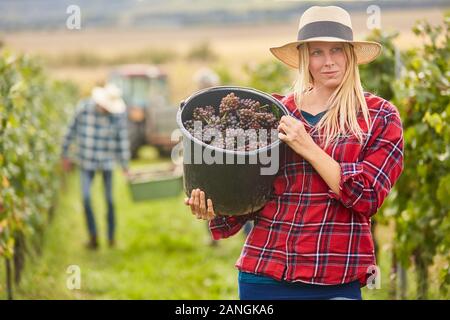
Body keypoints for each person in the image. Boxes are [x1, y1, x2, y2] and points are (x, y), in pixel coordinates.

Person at [184, 6, 404, 300]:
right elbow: (251, 193)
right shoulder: (276, 112)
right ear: (305, 58)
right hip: (265, 273)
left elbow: (366, 197)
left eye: (336, 50)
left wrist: (307, 146)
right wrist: (216, 205)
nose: (328, 62)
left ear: (350, 54)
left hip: (334, 276)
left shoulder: (379, 116)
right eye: (316, 52)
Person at [61, 84, 130, 250]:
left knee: (110, 200)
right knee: (85, 198)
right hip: (86, 160)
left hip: (106, 161)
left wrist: (125, 165)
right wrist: (65, 155)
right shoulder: (83, 109)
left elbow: (122, 141)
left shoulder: (116, 116)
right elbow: (70, 131)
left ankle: (111, 238)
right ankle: (93, 237)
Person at [193, 67, 254, 246]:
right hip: (207, 161)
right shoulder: (195, 107)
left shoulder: (224, 104)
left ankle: (247, 233)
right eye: (202, 85)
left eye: (206, 84)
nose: (203, 87)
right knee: (207, 199)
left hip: (231, 159)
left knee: (243, 197)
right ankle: (216, 238)